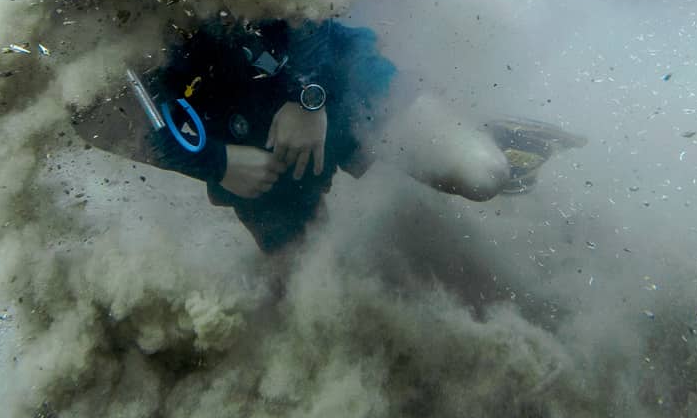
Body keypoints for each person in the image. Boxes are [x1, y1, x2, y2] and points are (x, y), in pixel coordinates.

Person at [136, 14, 529, 253]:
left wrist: (307, 96)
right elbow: (98, 118)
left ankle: (494, 137)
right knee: (311, 293)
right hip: (247, 155)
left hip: (337, 79)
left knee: (482, 175)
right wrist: (214, 163)